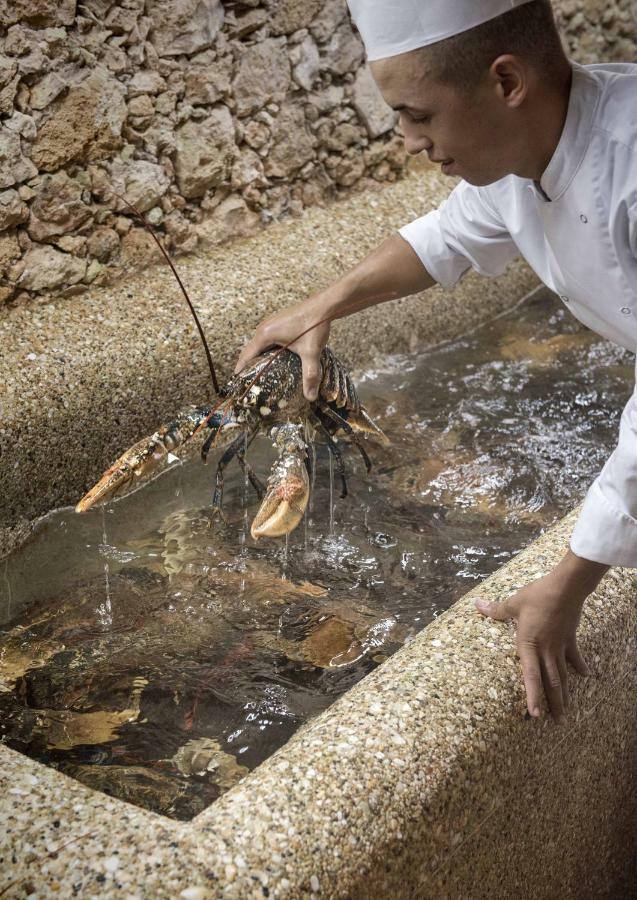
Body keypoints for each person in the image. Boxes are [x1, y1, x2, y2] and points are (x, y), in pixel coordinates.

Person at [234, 0, 637, 724]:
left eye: (417, 115)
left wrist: (572, 577)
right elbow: (446, 237)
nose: (406, 141)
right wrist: (317, 309)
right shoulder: (527, 149)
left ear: (505, 81)